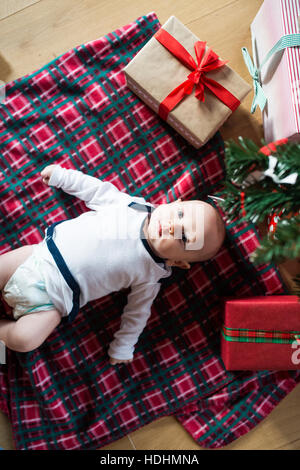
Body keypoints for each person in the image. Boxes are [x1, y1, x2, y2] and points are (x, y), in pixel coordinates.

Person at [0, 164, 225, 364]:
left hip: (53, 302)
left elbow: (137, 314)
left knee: (25, 340)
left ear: (178, 262)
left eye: (184, 238)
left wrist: (123, 347)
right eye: (180, 214)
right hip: (37, 258)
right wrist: (62, 176)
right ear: (174, 202)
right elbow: (94, 190)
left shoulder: (151, 275)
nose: (173, 226)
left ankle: (3, 331)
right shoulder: (131, 207)